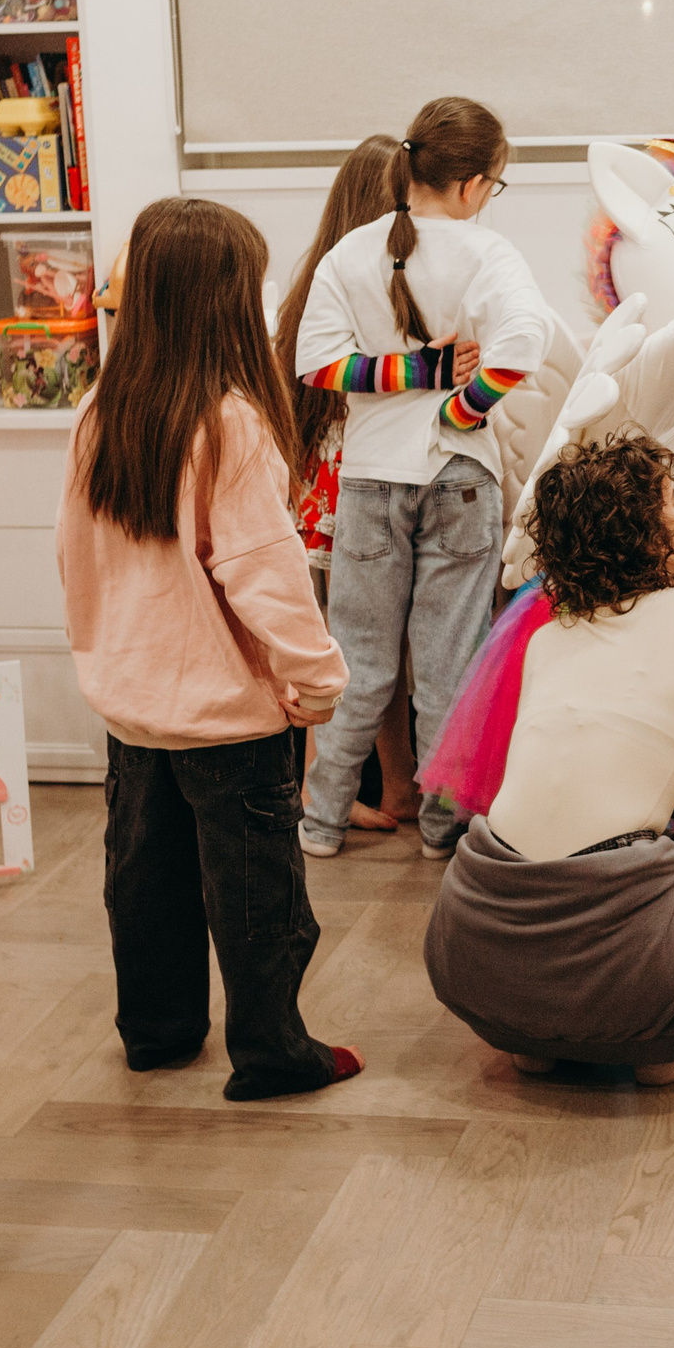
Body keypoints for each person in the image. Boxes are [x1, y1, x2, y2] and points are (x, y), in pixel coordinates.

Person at [55, 196, 363, 1100]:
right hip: (230, 720)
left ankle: (157, 1033)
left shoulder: (99, 412)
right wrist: (319, 683)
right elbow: (267, 577)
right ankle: (272, 1054)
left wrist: (103, 656)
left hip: (134, 708)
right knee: (259, 898)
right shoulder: (230, 424)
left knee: (143, 888)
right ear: (223, 302)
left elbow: (73, 558)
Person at [423, 435, 674, 1084]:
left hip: (472, 962)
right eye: (672, 502)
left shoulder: (546, 637)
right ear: (643, 532)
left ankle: (535, 1034)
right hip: (628, 993)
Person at [293, 96, 551, 860]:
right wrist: (460, 411)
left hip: (370, 481)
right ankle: (443, 831)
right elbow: (524, 342)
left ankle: (321, 822)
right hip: (460, 482)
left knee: (359, 661)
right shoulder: (488, 255)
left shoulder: (350, 254)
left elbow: (318, 364)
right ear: (472, 185)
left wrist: (406, 370)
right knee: (448, 665)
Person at [274, 133, 436, 832]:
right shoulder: (373, 287)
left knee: (366, 648)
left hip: (327, 498)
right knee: (360, 652)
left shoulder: (314, 287)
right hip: (357, 496)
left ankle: (395, 786)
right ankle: (323, 790)